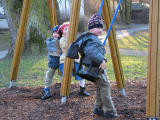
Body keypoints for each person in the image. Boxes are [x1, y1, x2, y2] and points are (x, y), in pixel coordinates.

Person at [67, 14, 117, 118]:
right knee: (105, 86)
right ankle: (110, 110)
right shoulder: (92, 39)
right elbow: (91, 51)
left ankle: (98, 108)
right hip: (95, 66)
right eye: (97, 27)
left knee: (100, 86)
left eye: (101, 27)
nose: (100, 29)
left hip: (90, 66)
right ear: (90, 28)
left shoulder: (87, 37)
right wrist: (102, 60)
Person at [58, 22, 90, 96]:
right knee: (64, 75)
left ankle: (82, 89)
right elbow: (65, 47)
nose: (68, 30)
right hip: (65, 60)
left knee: (82, 74)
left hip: (76, 60)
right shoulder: (62, 39)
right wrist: (72, 42)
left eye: (69, 29)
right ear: (63, 32)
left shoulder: (75, 39)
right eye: (65, 29)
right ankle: (65, 90)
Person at [41, 25, 62, 100]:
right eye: (54, 32)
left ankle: (63, 90)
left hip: (61, 60)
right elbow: (49, 44)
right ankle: (47, 89)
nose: (55, 34)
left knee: (62, 74)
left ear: (60, 34)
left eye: (57, 33)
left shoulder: (62, 40)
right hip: (53, 60)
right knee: (49, 74)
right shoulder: (50, 41)